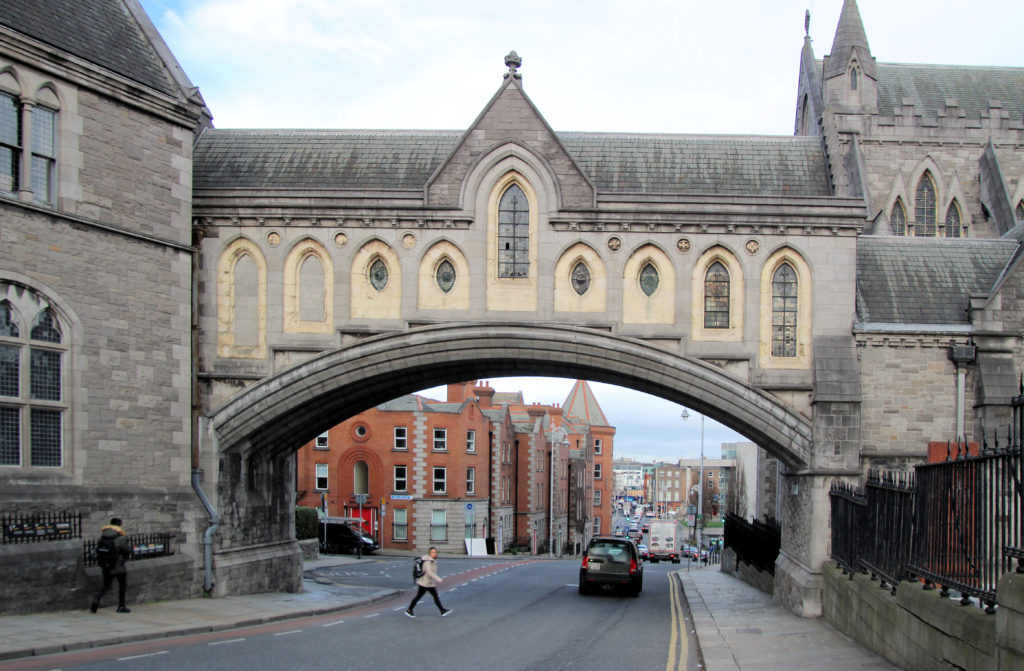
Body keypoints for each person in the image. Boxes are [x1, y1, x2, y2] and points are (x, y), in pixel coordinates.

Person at [90, 517, 131, 613]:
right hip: (118, 566)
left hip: (106, 566)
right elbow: (127, 550)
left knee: (106, 586)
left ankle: (96, 599)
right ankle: (121, 606)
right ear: (119, 525)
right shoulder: (120, 538)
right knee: (122, 586)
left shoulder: (103, 537)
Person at [405, 546, 450, 618]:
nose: (434, 553)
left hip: (430, 583)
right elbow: (429, 572)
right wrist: (439, 579)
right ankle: (409, 610)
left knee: (435, 596)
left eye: (435, 552)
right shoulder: (427, 561)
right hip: (424, 583)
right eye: (433, 552)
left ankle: (442, 610)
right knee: (419, 597)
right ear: (429, 553)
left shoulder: (433, 560)